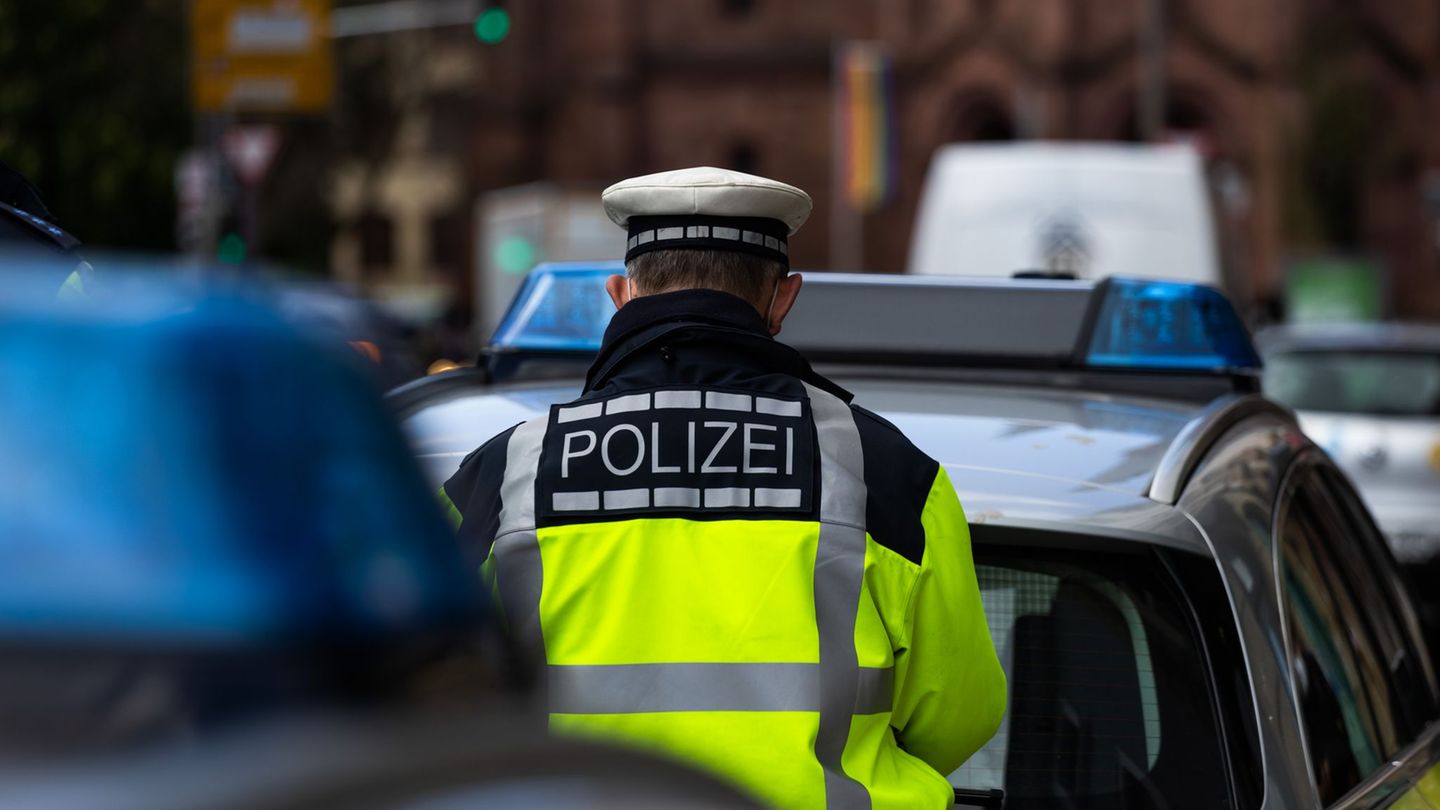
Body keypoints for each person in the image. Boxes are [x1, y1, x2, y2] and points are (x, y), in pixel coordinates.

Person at [440, 166, 1006, 809]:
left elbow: (425, 707)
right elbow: (961, 716)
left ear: (621, 294)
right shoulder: (890, 475)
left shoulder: (506, 474)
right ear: (783, 299)